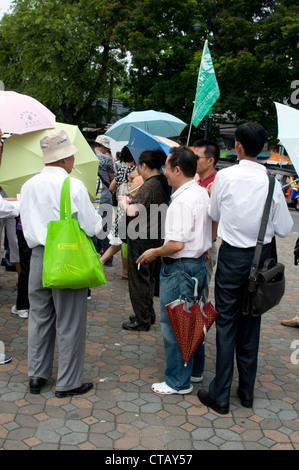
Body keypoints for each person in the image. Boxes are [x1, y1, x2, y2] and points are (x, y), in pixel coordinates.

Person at [197, 122, 293, 414]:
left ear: (237, 145)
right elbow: (286, 229)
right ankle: (247, 392)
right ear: (263, 148)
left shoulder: (225, 177)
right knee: (252, 321)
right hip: (260, 261)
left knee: (226, 323)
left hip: (232, 258)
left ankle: (221, 395)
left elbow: (213, 213)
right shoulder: (272, 182)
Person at [20, 129, 103, 397]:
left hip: (38, 257)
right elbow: (92, 228)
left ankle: (37, 375)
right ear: (66, 158)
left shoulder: (28, 184)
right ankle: (68, 382)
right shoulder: (73, 185)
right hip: (66, 258)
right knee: (69, 321)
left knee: (39, 317)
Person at [137, 146, 212, 395]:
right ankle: (196, 371)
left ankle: (178, 381)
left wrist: (154, 252)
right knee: (193, 321)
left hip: (180, 269)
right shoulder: (201, 193)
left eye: (167, 168)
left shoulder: (182, 199)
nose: (164, 173)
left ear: (177, 169)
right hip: (196, 265)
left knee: (176, 325)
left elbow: (176, 244)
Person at [120, 149, 171, 331]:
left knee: (139, 279)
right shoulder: (164, 182)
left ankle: (142, 320)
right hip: (155, 236)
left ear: (143, 165)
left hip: (142, 238)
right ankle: (147, 313)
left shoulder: (150, 185)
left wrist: (124, 204)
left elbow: (134, 211)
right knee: (148, 277)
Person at [101, 146, 137, 278]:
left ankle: (125, 270)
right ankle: (105, 262)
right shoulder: (136, 171)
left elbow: (111, 187)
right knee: (123, 241)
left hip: (121, 206)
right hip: (130, 207)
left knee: (122, 241)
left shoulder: (121, 170)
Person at [194, 139, 220, 304]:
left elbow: (217, 218)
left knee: (201, 291)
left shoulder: (217, 182)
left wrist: (207, 243)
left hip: (206, 245)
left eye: (197, 157)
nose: (192, 161)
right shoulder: (196, 180)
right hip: (192, 243)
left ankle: (198, 327)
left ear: (210, 160)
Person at [93, 135, 115, 265]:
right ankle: (107, 258)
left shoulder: (88, 157)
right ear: (102, 146)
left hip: (92, 197)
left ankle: (95, 254)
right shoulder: (106, 159)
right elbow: (113, 179)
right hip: (105, 196)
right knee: (105, 229)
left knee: (92, 228)